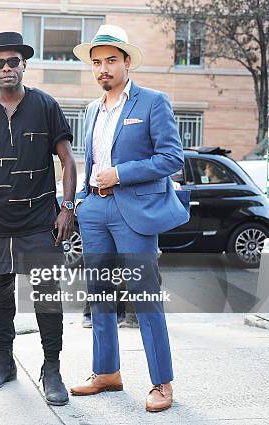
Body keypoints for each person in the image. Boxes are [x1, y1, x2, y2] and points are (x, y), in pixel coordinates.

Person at [69, 25, 189, 412]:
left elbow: (172, 158)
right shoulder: (91, 109)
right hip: (95, 210)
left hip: (133, 210)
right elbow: (89, 161)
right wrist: (83, 200)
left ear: (127, 62)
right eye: (96, 63)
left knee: (144, 297)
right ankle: (106, 373)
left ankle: (162, 383)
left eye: (110, 61)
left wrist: (120, 174)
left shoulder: (153, 102)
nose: (102, 69)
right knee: (100, 296)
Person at [0, 32, 77, 406]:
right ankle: (4, 362)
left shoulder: (46, 105)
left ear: (24, 65)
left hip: (39, 218)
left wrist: (67, 208)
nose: (7, 68)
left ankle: (52, 368)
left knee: (46, 295)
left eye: (13, 61)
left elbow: (67, 161)